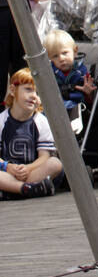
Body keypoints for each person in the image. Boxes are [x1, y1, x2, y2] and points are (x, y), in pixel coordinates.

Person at [0, 70, 62, 198]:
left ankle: (13, 190)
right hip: (7, 171)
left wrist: (28, 168)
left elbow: (44, 157)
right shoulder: (2, 120)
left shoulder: (41, 121)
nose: (34, 96)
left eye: (38, 93)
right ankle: (27, 189)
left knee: (55, 163)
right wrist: (8, 167)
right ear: (12, 90)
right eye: (28, 89)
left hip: (32, 172)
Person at [43, 29, 95, 112]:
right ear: (50, 58)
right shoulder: (50, 72)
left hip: (77, 107)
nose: (61, 59)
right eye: (55, 56)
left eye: (64, 53)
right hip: (56, 107)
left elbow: (91, 100)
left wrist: (88, 92)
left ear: (75, 51)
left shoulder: (81, 71)